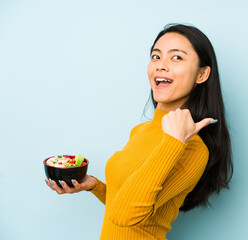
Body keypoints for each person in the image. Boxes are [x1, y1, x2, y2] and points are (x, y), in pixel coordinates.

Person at [45, 23, 233, 240]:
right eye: (156, 56)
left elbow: (124, 215)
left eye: (177, 58)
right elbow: (133, 203)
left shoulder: (192, 149)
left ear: (202, 74)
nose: (161, 65)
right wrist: (94, 186)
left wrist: (173, 141)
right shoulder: (141, 130)